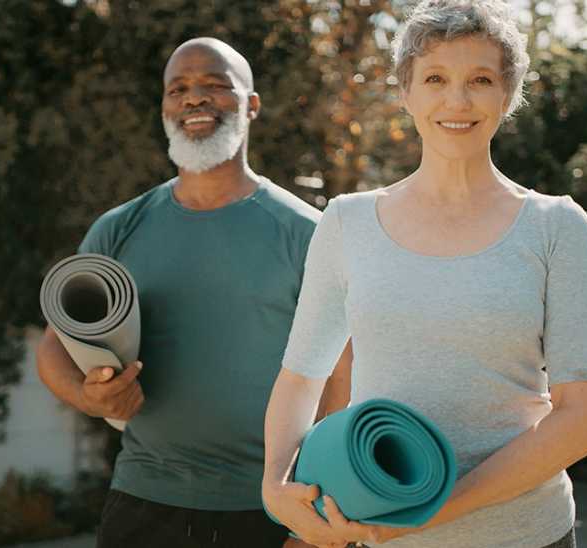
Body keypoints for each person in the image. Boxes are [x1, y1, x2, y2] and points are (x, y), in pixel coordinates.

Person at [262, 1, 587, 546]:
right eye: (434, 78)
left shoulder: (556, 226)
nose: (457, 100)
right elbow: (301, 376)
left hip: (527, 535)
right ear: (406, 93)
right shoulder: (347, 221)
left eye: (480, 79)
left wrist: (433, 509)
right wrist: (275, 485)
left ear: (507, 95)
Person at [35, 37, 351, 548]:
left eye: (215, 85)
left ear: (251, 104)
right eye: (178, 88)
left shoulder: (308, 233)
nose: (194, 98)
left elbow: (343, 375)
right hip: (143, 504)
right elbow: (54, 346)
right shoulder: (119, 229)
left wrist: (313, 520)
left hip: (271, 509)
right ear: (164, 107)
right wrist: (88, 397)